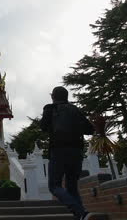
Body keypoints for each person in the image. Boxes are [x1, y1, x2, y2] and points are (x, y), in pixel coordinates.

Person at [40, 86, 94, 220]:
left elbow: (43, 127)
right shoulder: (75, 109)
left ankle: (81, 213)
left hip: (58, 150)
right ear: (66, 96)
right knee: (72, 187)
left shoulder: (50, 108)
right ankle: (82, 214)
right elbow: (90, 129)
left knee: (54, 186)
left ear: (53, 97)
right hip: (76, 151)